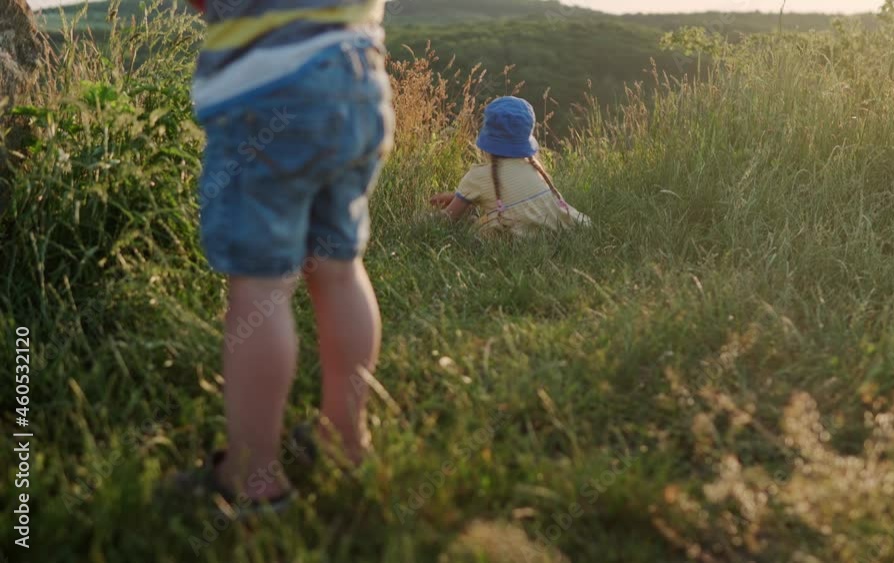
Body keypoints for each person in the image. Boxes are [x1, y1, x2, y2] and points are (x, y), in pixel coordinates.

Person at [175, 0, 394, 512]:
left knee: (259, 287)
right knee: (340, 270)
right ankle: (345, 443)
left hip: (269, 87)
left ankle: (252, 479)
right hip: (360, 77)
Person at [430, 96, 589, 235]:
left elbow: (448, 218)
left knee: (477, 226)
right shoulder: (533, 168)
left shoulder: (477, 176)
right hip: (553, 232)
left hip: (516, 241)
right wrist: (460, 198)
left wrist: (423, 217)